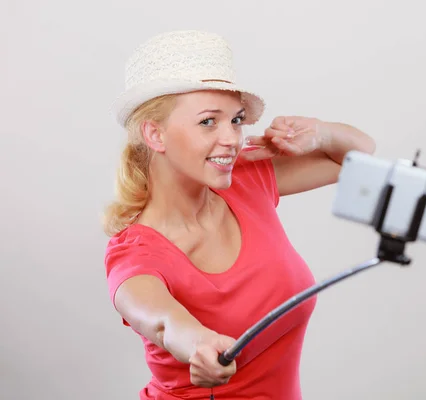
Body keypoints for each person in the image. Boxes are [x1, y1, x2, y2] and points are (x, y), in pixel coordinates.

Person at [103, 30, 376, 400]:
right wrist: (198, 342)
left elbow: (359, 159)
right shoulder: (135, 253)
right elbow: (162, 321)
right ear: (155, 134)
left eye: (236, 120)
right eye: (208, 122)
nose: (233, 138)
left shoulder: (245, 181)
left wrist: (320, 133)